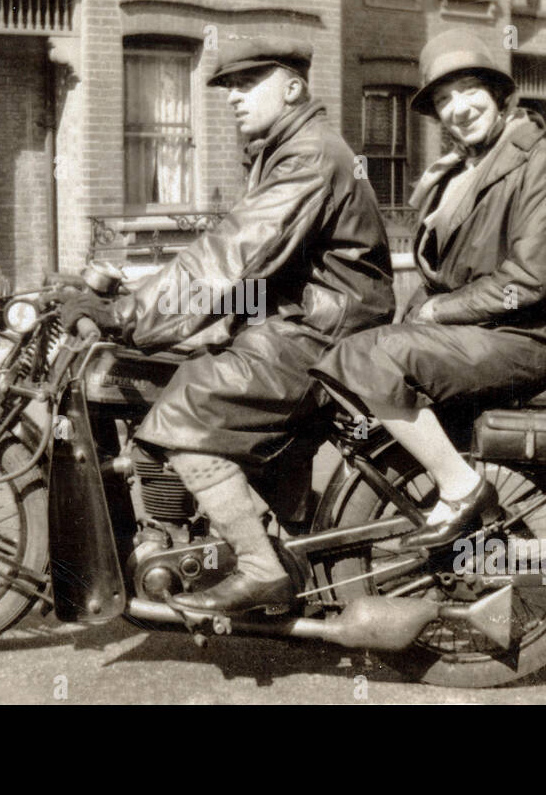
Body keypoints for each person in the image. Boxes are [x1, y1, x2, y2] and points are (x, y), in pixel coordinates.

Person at [61, 36, 396, 614]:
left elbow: (234, 254)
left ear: (293, 88)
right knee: (181, 364)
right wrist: (158, 310)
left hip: (322, 332)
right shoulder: (280, 149)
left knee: (186, 406)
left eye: (248, 83)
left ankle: (261, 566)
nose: (234, 98)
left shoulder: (309, 154)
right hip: (302, 317)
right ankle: (274, 535)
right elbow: (258, 268)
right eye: (228, 88)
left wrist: (129, 315)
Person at [310, 29, 546, 550]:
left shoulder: (539, 164)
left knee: (377, 359)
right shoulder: (459, 172)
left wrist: (438, 314)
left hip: (528, 333)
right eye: (443, 99)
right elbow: (444, 273)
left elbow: (528, 281)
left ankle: (462, 488)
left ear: (498, 95)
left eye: (468, 91)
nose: (458, 108)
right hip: (485, 329)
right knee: (346, 351)